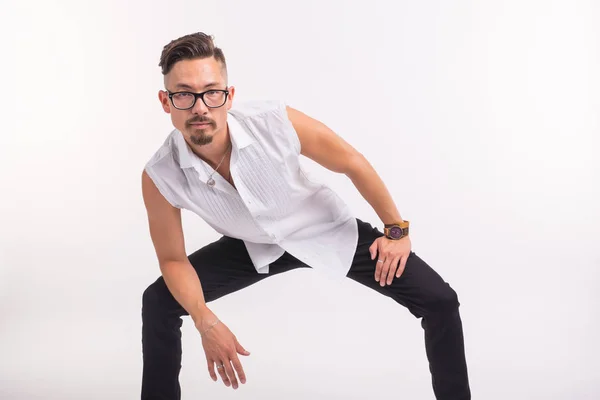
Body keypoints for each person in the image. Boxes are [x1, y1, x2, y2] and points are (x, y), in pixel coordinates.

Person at [140, 32, 471, 400]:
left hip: (324, 228)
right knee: (158, 301)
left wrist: (395, 230)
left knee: (440, 300)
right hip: (252, 244)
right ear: (166, 102)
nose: (200, 107)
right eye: (184, 94)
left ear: (229, 96)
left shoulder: (273, 121)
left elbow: (351, 161)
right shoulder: (160, 175)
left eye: (211, 92)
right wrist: (205, 321)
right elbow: (172, 259)